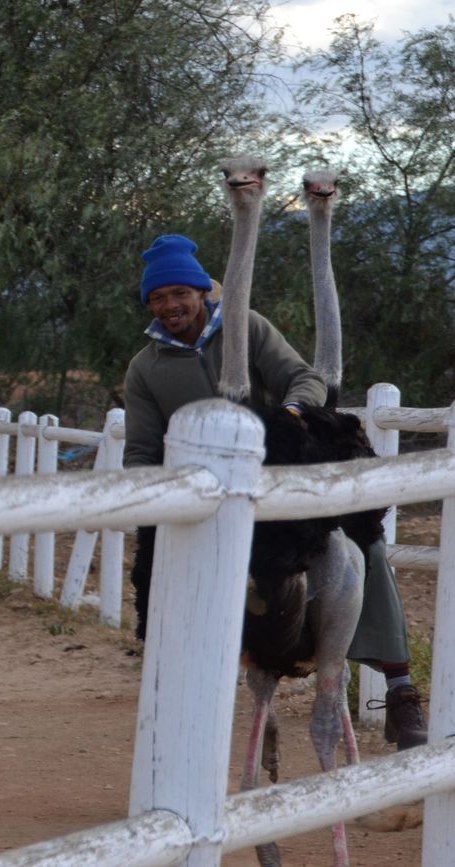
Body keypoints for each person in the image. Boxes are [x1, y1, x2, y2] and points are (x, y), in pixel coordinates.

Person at [122, 233, 427, 749]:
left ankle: (399, 688)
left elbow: (304, 380)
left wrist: (285, 419)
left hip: (277, 470)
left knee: (362, 533)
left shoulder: (248, 328)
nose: (170, 305)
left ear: (201, 293)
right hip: (206, 489)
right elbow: (142, 448)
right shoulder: (145, 368)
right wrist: (152, 492)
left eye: (179, 293)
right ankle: (172, 703)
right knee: (155, 574)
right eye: (158, 297)